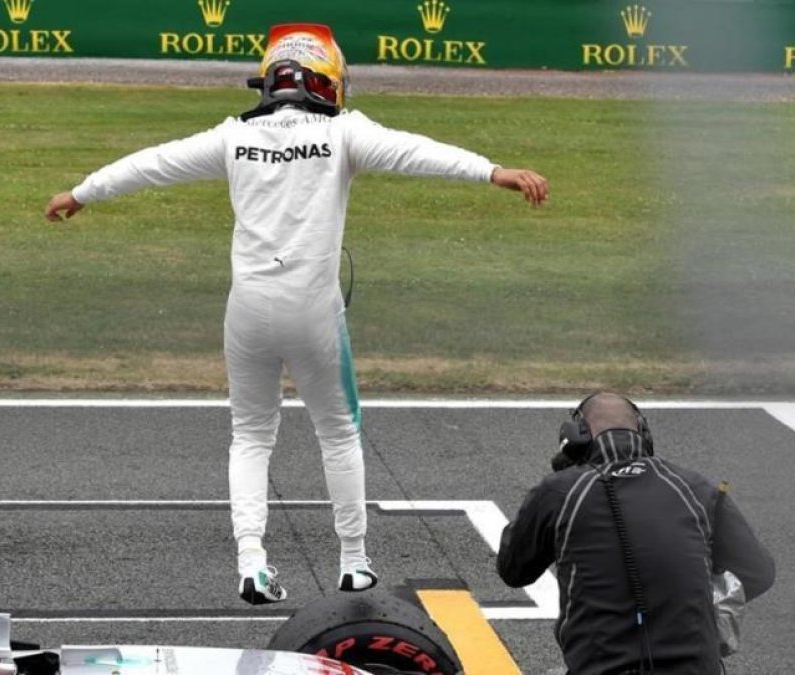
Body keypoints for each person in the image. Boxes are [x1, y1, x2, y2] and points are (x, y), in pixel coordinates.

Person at [45, 23, 549, 606]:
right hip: (314, 313)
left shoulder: (233, 136)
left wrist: (81, 192)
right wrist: (495, 171)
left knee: (251, 437)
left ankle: (252, 562)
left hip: (249, 311)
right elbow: (419, 152)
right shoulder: (344, 132)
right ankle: (354, 563)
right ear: (327, 83)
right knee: (338, 433)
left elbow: (154, 163)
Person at [497, 392, 775, 674]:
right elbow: (758, 571)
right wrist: (699, 605)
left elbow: (513, 570)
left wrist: (555, 482)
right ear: (643, 433)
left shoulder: (560, 491)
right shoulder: (695, 488)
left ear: (576, 437)